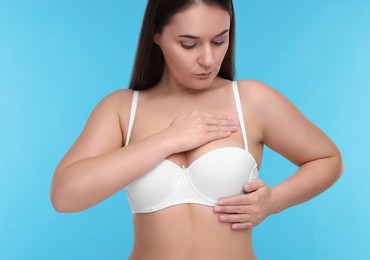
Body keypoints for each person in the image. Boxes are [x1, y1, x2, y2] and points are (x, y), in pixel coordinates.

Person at [50, 0, 343, 259]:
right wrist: (167, 140)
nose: (208, 60)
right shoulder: (122, 109)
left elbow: (328, 159)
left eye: (219, 41)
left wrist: (275, 201)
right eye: (189, 44)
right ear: (157, 35)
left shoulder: (251, 100)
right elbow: (65, 197)